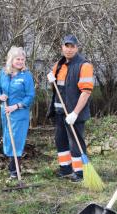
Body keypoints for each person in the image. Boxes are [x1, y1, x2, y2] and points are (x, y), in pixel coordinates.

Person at [47, 34, 94, 182]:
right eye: (66, 46)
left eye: (72, 46)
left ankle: (79, 173)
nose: (69, 49)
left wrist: (75, 113)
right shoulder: (58, 65)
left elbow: (86, 92)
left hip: (74, 113)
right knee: (60, 140)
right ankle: (65, 169)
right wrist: (50, 80)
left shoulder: (84, 65)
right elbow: (57, 88)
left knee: (76, 143)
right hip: (60, 112)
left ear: (76, 48)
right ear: (62, 47)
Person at [0, 46, 35, 179]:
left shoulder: (26, 76)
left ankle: (14, 170)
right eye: (18, 59)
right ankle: (13, 168)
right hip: (5, 113)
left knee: (16, 140)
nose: (20, 62)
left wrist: (16, 106)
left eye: (23, 59)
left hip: (19, 113)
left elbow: (30, 96)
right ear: (11, 59)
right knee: (8, 139)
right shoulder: (3, 73)